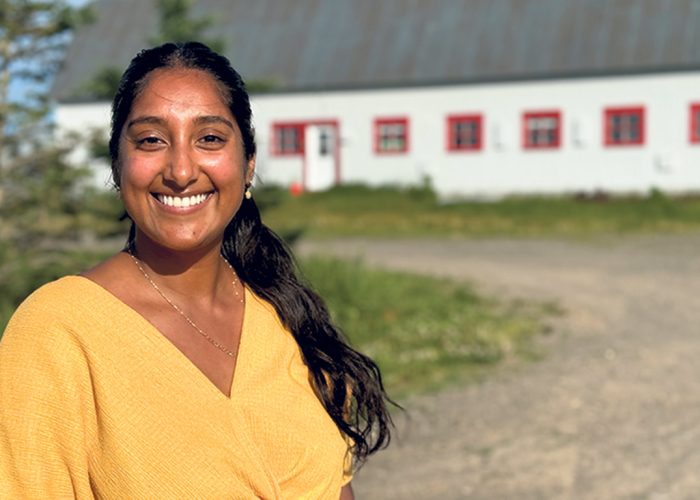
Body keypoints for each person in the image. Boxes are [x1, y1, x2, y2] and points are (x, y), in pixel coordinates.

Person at [0, 41, 393, 499]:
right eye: (151, 140)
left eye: (209, 138)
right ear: (117, 165)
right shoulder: (58, 331)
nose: (181, 170)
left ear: (248, 165)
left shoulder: (283, 315)